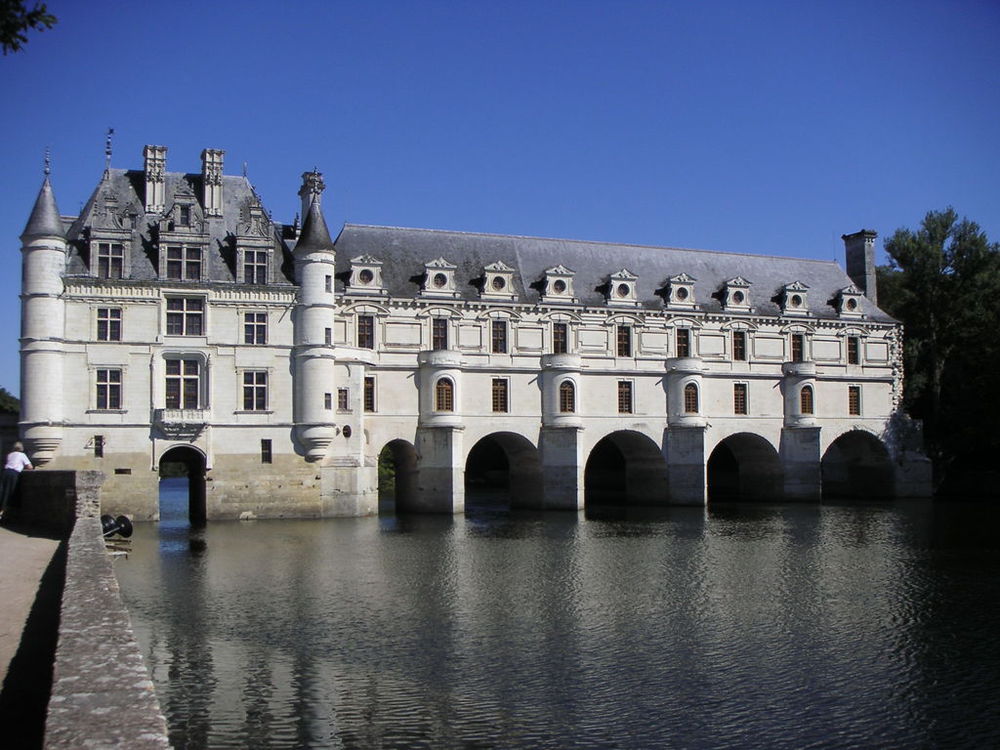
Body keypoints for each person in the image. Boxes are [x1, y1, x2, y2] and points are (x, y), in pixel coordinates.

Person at [0, 441, 33, 520]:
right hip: (13, 474)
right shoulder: (22, 455)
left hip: (5, 473)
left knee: (2, 492)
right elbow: (30, 467)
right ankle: (2, 512)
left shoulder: (10, 455)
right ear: (21, 448)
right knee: (10, 492)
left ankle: (2, 511)